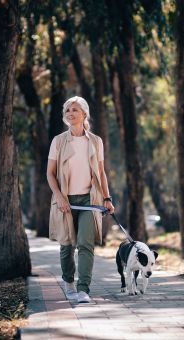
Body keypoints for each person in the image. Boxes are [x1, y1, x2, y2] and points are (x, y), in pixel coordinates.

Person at [47, 96, 115, 303]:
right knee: (67, 246)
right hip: (65, 201)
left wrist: (107, 197)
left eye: (74, 109)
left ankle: (83, 289)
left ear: (84, 113)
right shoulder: (58, 141)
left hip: (89, 200)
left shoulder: (95, 141)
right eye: (67, 109)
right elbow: (50, 173)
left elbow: (101, 172)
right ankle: (68, 282)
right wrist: (59, 196)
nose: (70, 113)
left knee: (86, 245)